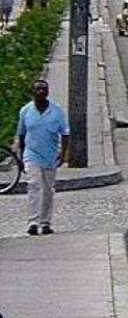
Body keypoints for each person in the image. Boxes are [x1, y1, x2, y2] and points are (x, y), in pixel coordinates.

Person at [16, 80, 70, 236]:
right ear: (33, 92)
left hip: (50, 155)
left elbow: (65, 133)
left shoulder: (57, 111)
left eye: (43, 89)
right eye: (37, 89)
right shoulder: (25, 111)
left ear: (48, 92)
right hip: (31, 154)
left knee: (47, 189)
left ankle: (45, 222)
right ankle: (33, 221)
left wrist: (64, 153)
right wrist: (21, 157)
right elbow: (21, 134)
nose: (40, 91)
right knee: (34, 185)